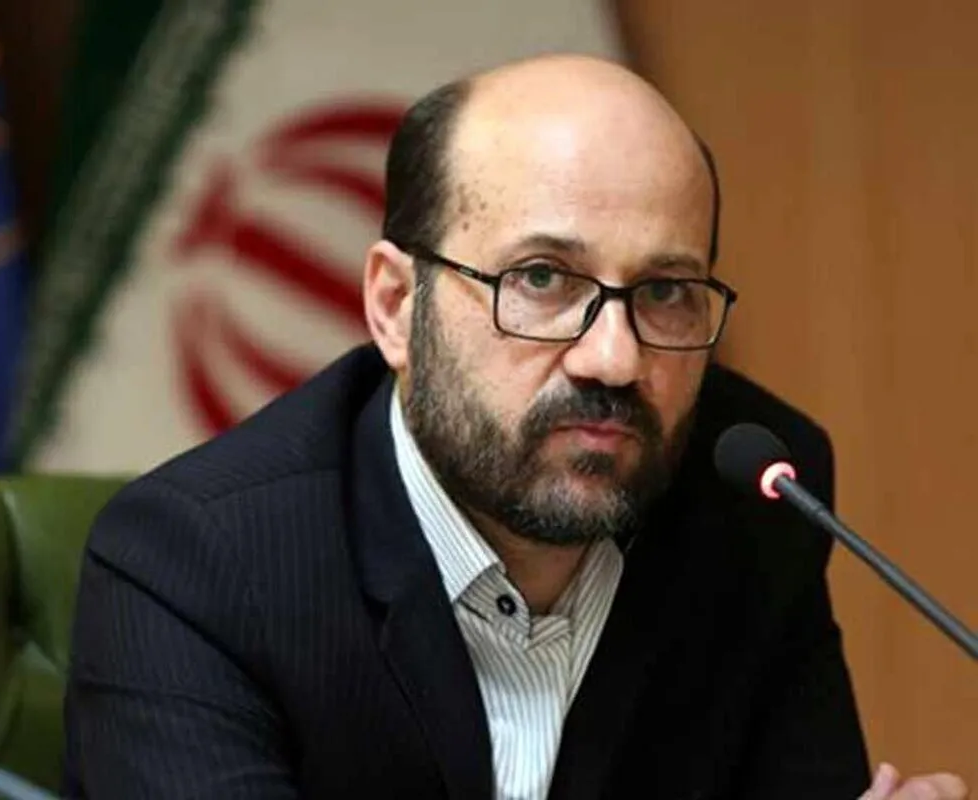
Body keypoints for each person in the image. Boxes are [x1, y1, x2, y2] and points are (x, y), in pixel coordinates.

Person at [62, 55, 968, 800]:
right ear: (394, 306)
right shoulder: (193, 568)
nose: (613, 359)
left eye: (664, 291)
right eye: (541, 279)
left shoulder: (757, 495)